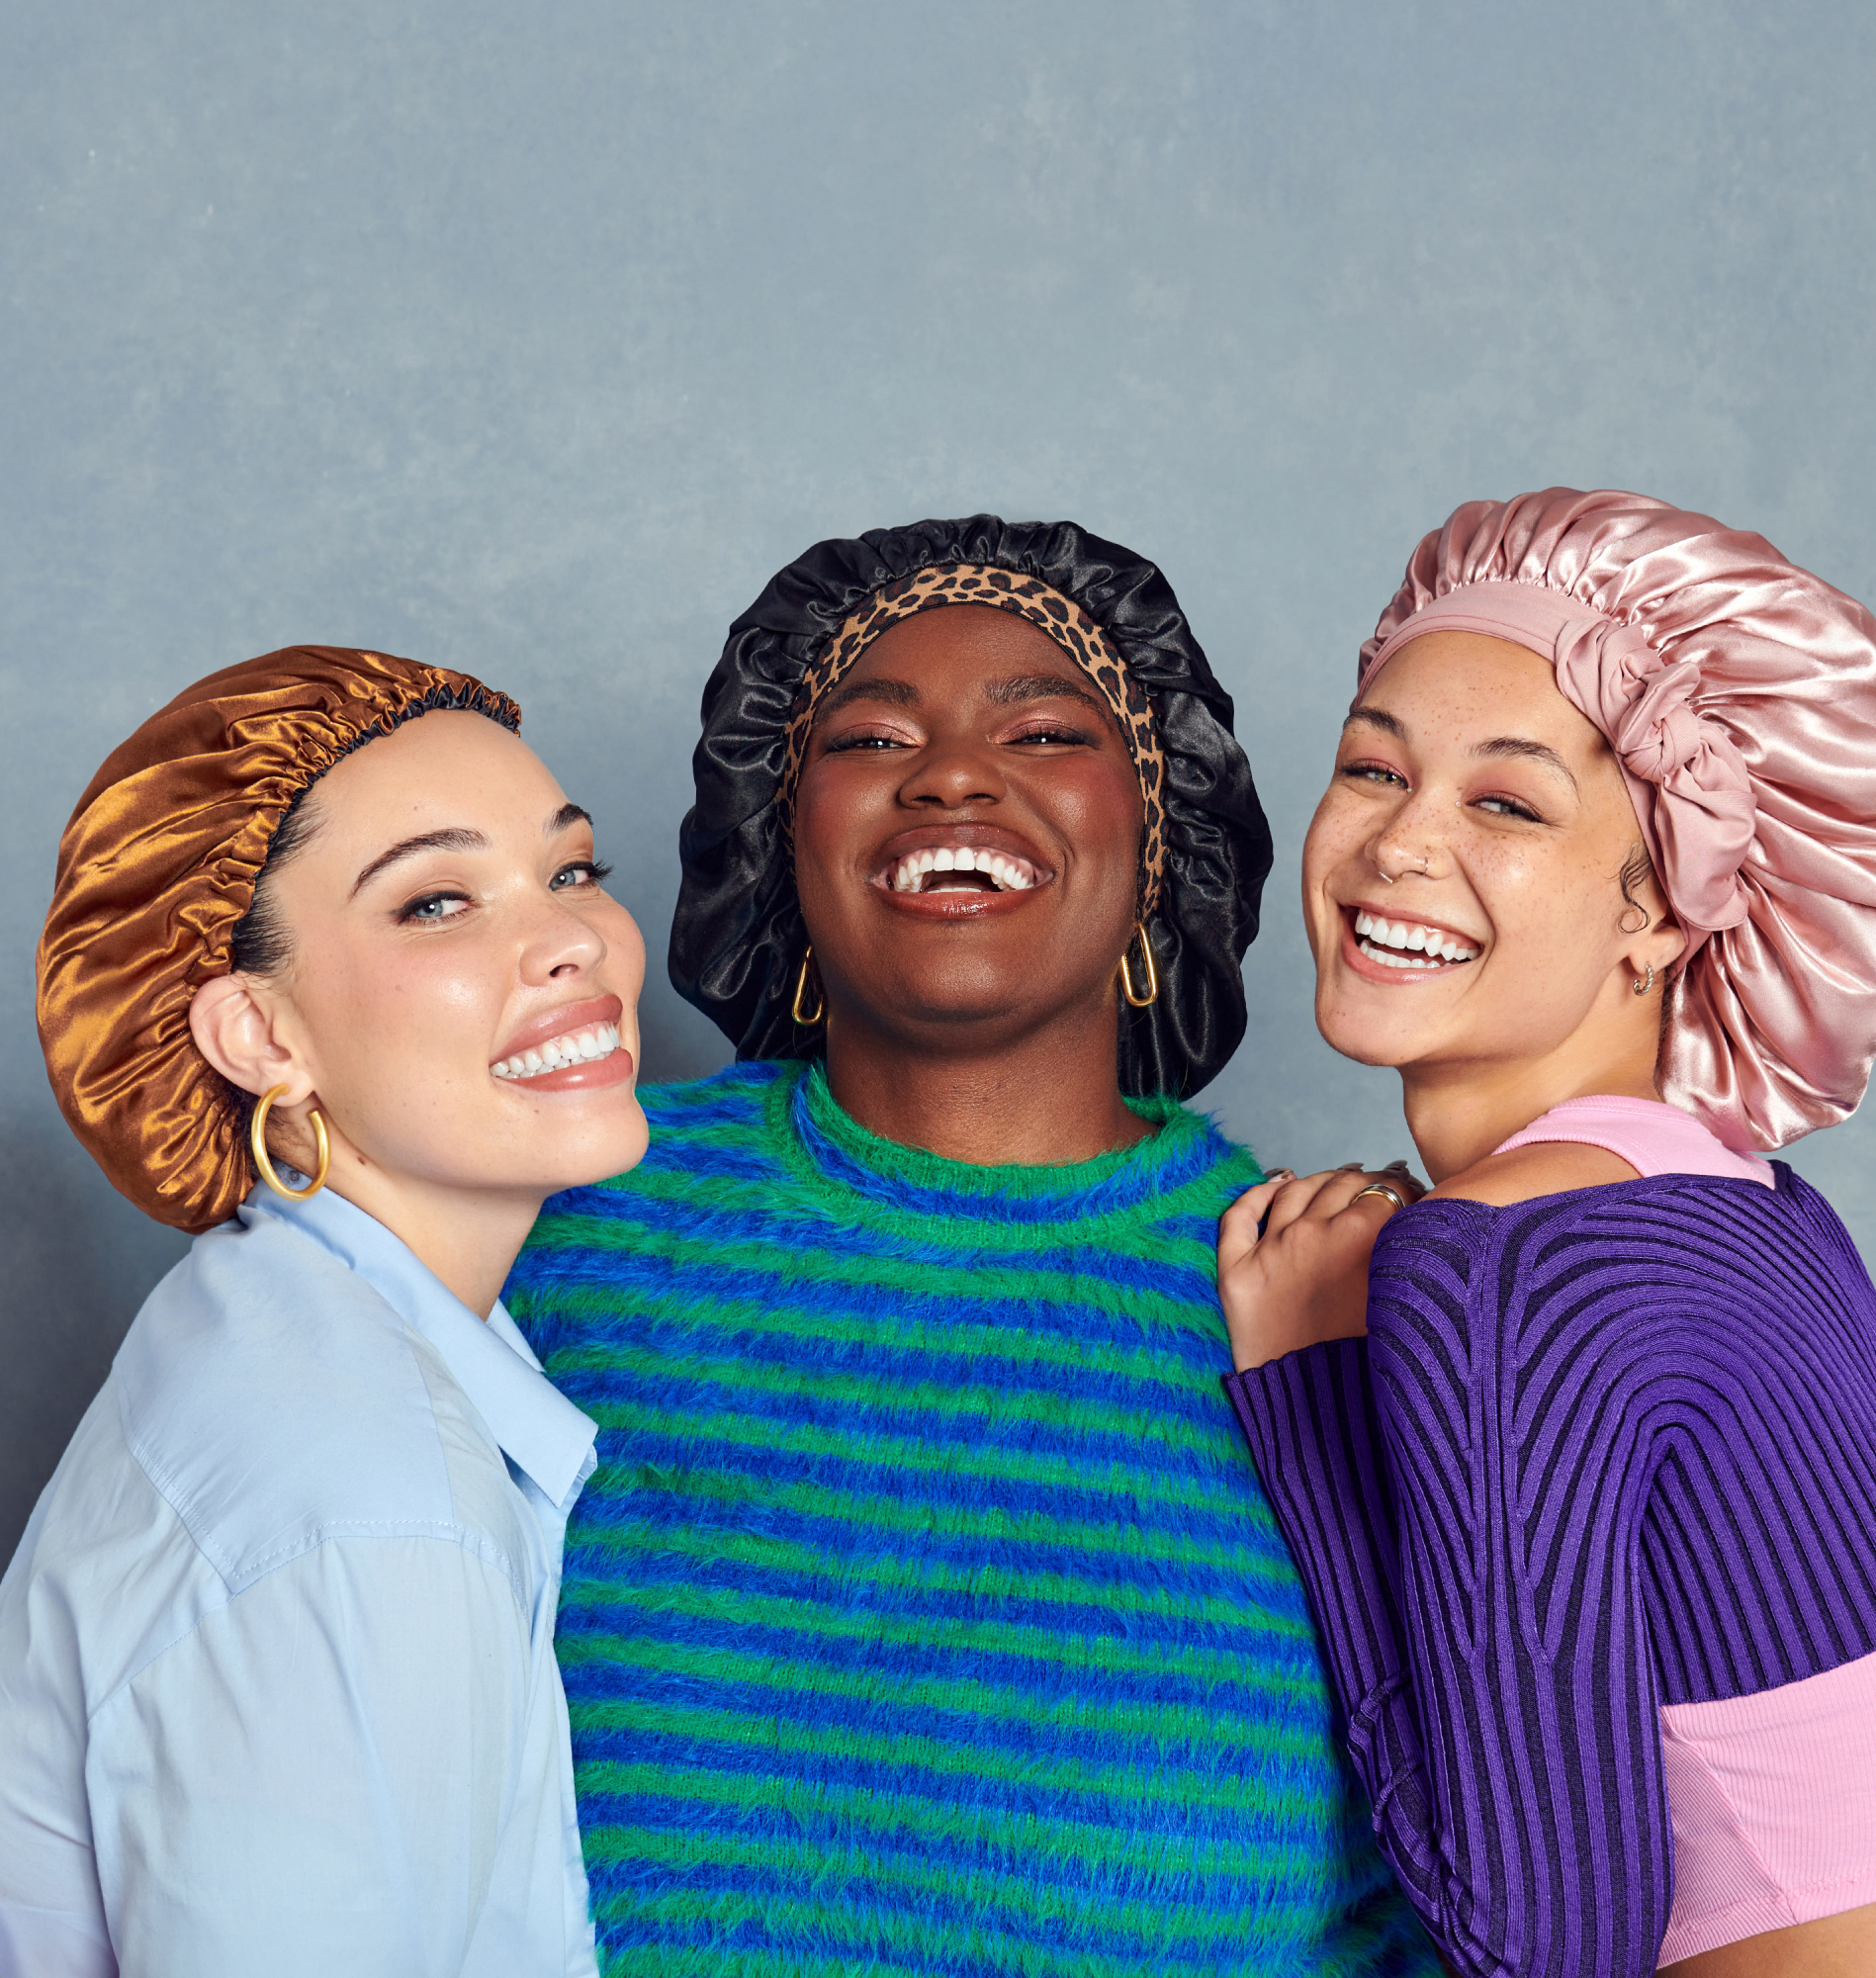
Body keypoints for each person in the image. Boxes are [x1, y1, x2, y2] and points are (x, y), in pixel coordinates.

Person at [507, 518, 1442, 1974]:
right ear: (777, 842)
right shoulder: (567, 1220)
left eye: (1048, 730)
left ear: (1159, 840)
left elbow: (1483, 1868)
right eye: (870, 738)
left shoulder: (1324, 1300)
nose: (949, 772)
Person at [1217, 489, 1876, 1976]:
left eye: (1507, 803)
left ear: (1668, 910)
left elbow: (1538, 1945)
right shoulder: (1748, 1198)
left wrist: (1311, 1394)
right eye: (1372, 769)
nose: (1398, 847)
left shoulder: (1498, 1267)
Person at [0, 647, 650, 1976]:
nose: (573, 940)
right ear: (257, 1036)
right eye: (437, 902)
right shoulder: (370, 1504)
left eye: (570, 870)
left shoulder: (284, 1325)